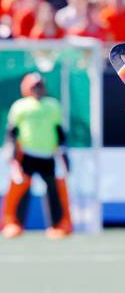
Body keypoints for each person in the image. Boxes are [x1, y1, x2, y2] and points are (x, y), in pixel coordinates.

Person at [1, 73, 72, 239]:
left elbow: (59, 131)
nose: (37, 89)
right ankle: (14, 224)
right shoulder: (20, 106)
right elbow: (12, 132)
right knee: (20, 191)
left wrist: (64, 154)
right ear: (26, 88)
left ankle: (58, 225)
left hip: (48, 156)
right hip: (27, 155)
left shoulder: (53, 105)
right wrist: (11, 153)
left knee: (53, 191)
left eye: (40, 86)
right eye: (34, 86)